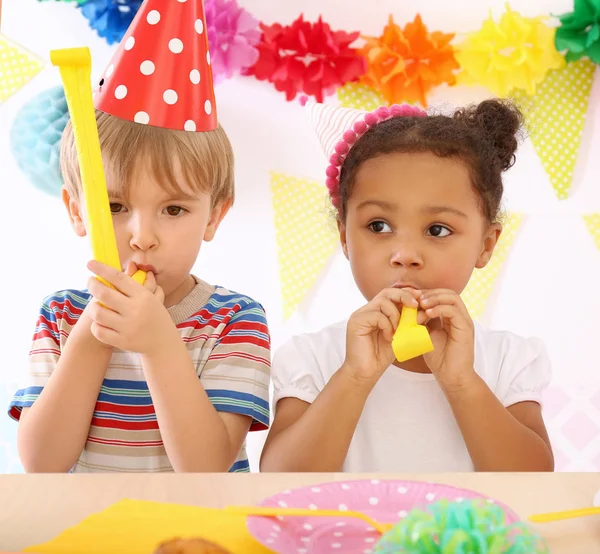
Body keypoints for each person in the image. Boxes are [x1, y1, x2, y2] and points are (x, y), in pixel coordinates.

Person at [8, 0, 270, 473]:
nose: (142, 236)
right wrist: (91, 337)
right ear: (75, 211)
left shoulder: (235, 320)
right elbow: (42, 464)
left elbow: (207, 469)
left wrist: (158, 343)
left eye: (173, 209)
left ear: (214, 217)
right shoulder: (62, 317)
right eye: (114, 206)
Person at [260, 99, 553, 472]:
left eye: (437, 230)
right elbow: (278, 481)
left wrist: (461, 381)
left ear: (486, 244)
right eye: (378, 226)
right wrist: (354, 376)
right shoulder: (312, 359)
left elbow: (534, 481)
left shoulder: (510, 360)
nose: (405, 254)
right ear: (344, 237)